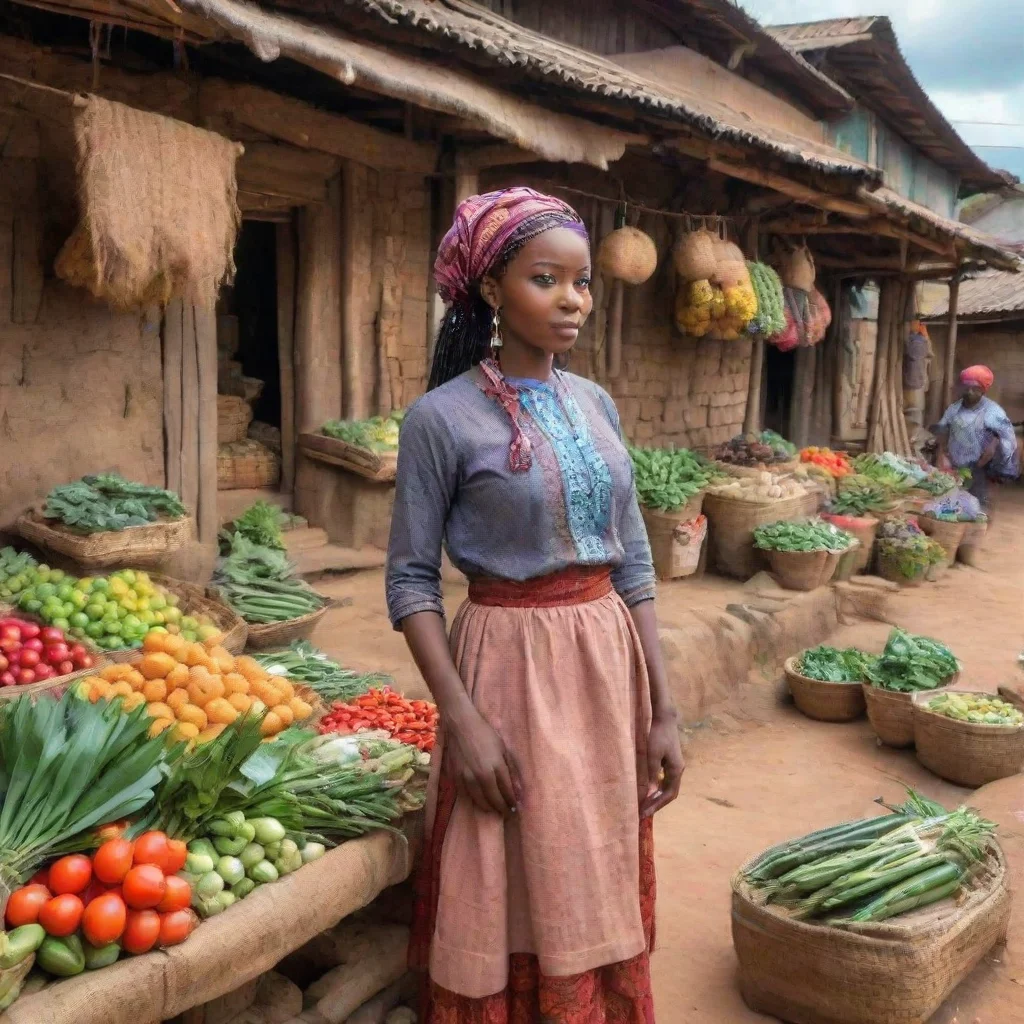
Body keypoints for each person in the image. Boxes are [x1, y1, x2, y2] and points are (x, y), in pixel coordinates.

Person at [386, 187, 684, 1023]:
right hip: (506, 669)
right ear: (490, 290)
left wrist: (664, 706)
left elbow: (634, 564)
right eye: (546, 279)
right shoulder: (438, 421)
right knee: (513, 863)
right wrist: (463, 720)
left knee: (590, 856)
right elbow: (411, 581)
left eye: (582, 283)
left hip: (606, 666)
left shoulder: (597, 404)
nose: (572, 301)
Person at [936, 364, 1019, 511]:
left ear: (983, 391)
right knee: (951, 504)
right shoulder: (954, 408)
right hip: (955, 466)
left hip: (980, 467)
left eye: (975, 389)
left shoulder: (993, 411)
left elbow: (1007, 439)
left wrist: (995, 448)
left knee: (978, 505)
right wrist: (942, 453)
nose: (969, 392)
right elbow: (943, 429)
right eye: (966, 387)